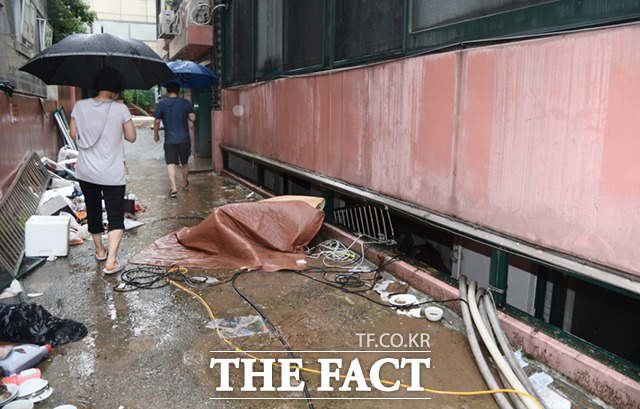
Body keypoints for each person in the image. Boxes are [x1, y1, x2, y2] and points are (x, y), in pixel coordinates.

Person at [69, 67, 136, 275]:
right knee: (116, 215)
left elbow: (73, 134)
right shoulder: (120, 109)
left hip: (86, 171)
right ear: (115, 88)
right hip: (111, 173)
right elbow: (132, 137)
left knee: (93, 209)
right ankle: (112, 261)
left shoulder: (79, 106)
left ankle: (99, 251)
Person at [153, 81, 196, 197]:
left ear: (167, 92)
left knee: (170, 163)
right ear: (178, 91)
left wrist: (155, 134)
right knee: (185, 162)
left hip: (170, 140)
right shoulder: (185, 103)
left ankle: (173, 187)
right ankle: (183, 183)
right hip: (184, 139)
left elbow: (157, 121)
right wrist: (187, 112)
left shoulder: (162, 104)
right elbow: (193, 118)